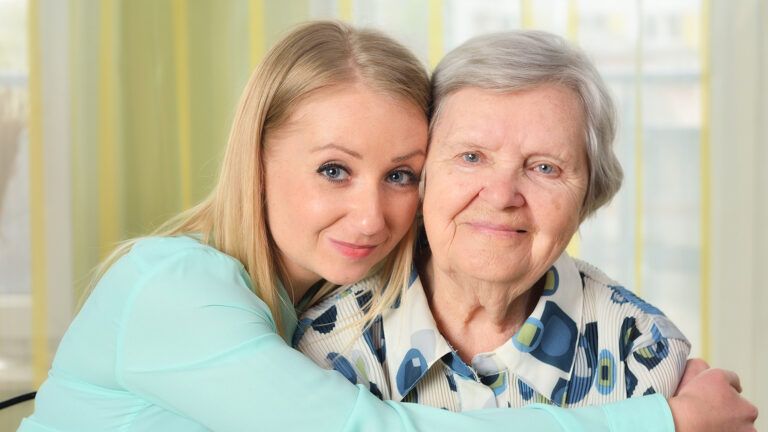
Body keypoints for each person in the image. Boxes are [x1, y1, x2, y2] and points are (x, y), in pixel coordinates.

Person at [19, 21, 756, 432]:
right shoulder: (181, 292)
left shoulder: (641, 348)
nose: (372, 215)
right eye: (334, 169)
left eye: (400, 174)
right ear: (257, 156)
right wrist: (664, 424)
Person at [295, 29, 758, 426]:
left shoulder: (647, 355)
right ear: (423, 177)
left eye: (544, 168)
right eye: (472, 157)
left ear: (588, 196)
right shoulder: (326, 347)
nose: (501, 195)